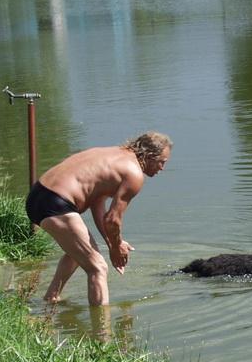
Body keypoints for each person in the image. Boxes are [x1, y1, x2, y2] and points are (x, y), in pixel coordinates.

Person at [25, 131, 172, 306]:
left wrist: (112, 244)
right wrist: (117, 247)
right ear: (150, 156)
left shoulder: (111, 155)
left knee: (78, 252)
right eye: (162, 162)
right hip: (56, 203)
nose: (162, 168)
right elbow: (112, 220)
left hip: (37, 196)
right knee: (98, 267)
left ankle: (51, 299)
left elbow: (97, 204)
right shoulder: (134, 174)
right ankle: (102, 323)